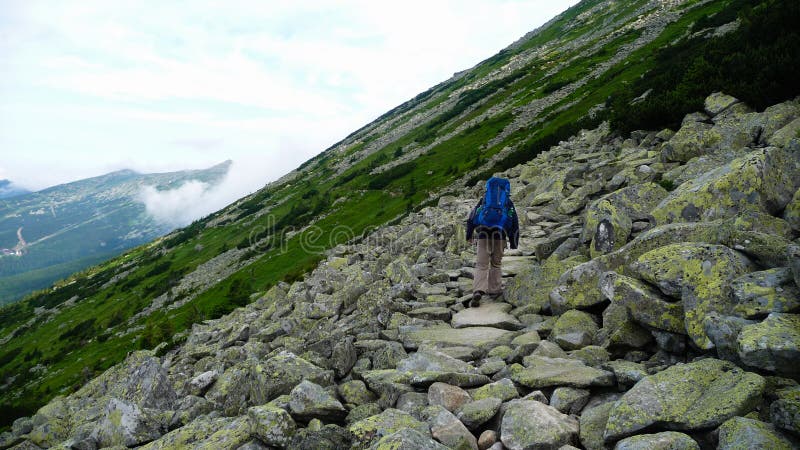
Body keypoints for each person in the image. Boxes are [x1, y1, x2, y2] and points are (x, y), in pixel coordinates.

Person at [465, 177, 519, 307]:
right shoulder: (508, 202)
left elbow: (472, 217)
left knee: (481, 265)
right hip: (499, 237)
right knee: (496, 264)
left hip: (483, 235)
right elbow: (514, 222)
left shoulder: (484, 200)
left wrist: (469, 235)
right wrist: (513, 242)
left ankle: (478, 290)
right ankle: (494, 290)